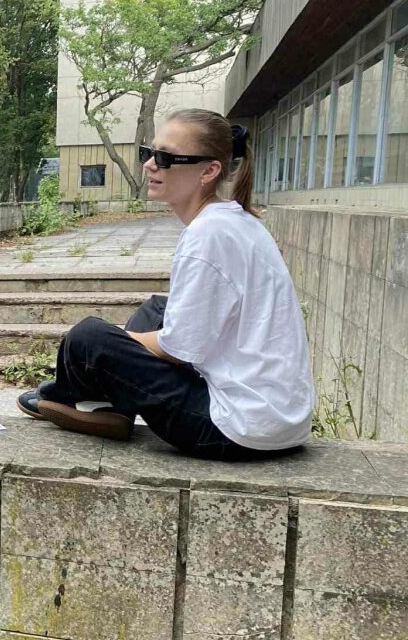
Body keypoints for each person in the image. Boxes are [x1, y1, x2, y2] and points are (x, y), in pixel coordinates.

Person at [17, 108, 314, 460]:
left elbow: (179, 348)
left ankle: (69, 397)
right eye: (149, 153)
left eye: (165, 158)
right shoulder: (235, 221)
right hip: (276, 417)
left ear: (209, 171)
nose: (149, 165)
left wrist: (120, 341)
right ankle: (111, 406)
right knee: (157, 308)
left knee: (88, 337)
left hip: (233, 427)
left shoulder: (208, 234)